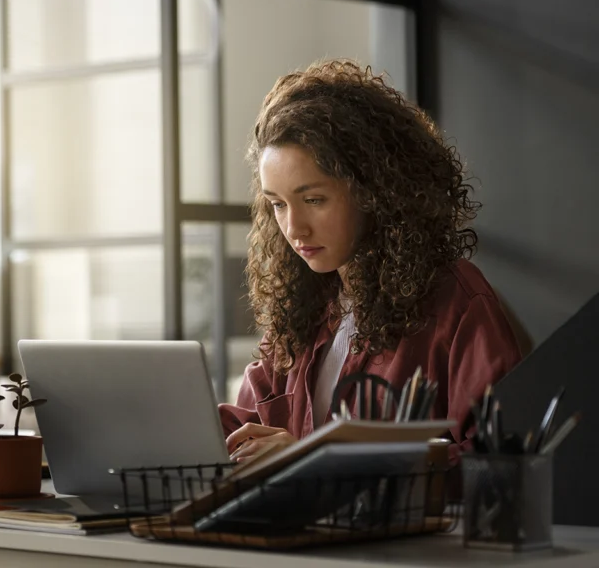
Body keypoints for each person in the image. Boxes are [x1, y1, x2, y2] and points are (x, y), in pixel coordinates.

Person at [219, 59, 522, 464]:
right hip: (299, 526)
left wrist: (324, 458)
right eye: (277, 204)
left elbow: (496, 457)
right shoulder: (301, 310)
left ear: (373, 191)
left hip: (412, 530)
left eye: (314, 200)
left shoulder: (457, 304)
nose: (294, 228)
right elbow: (246, 427)